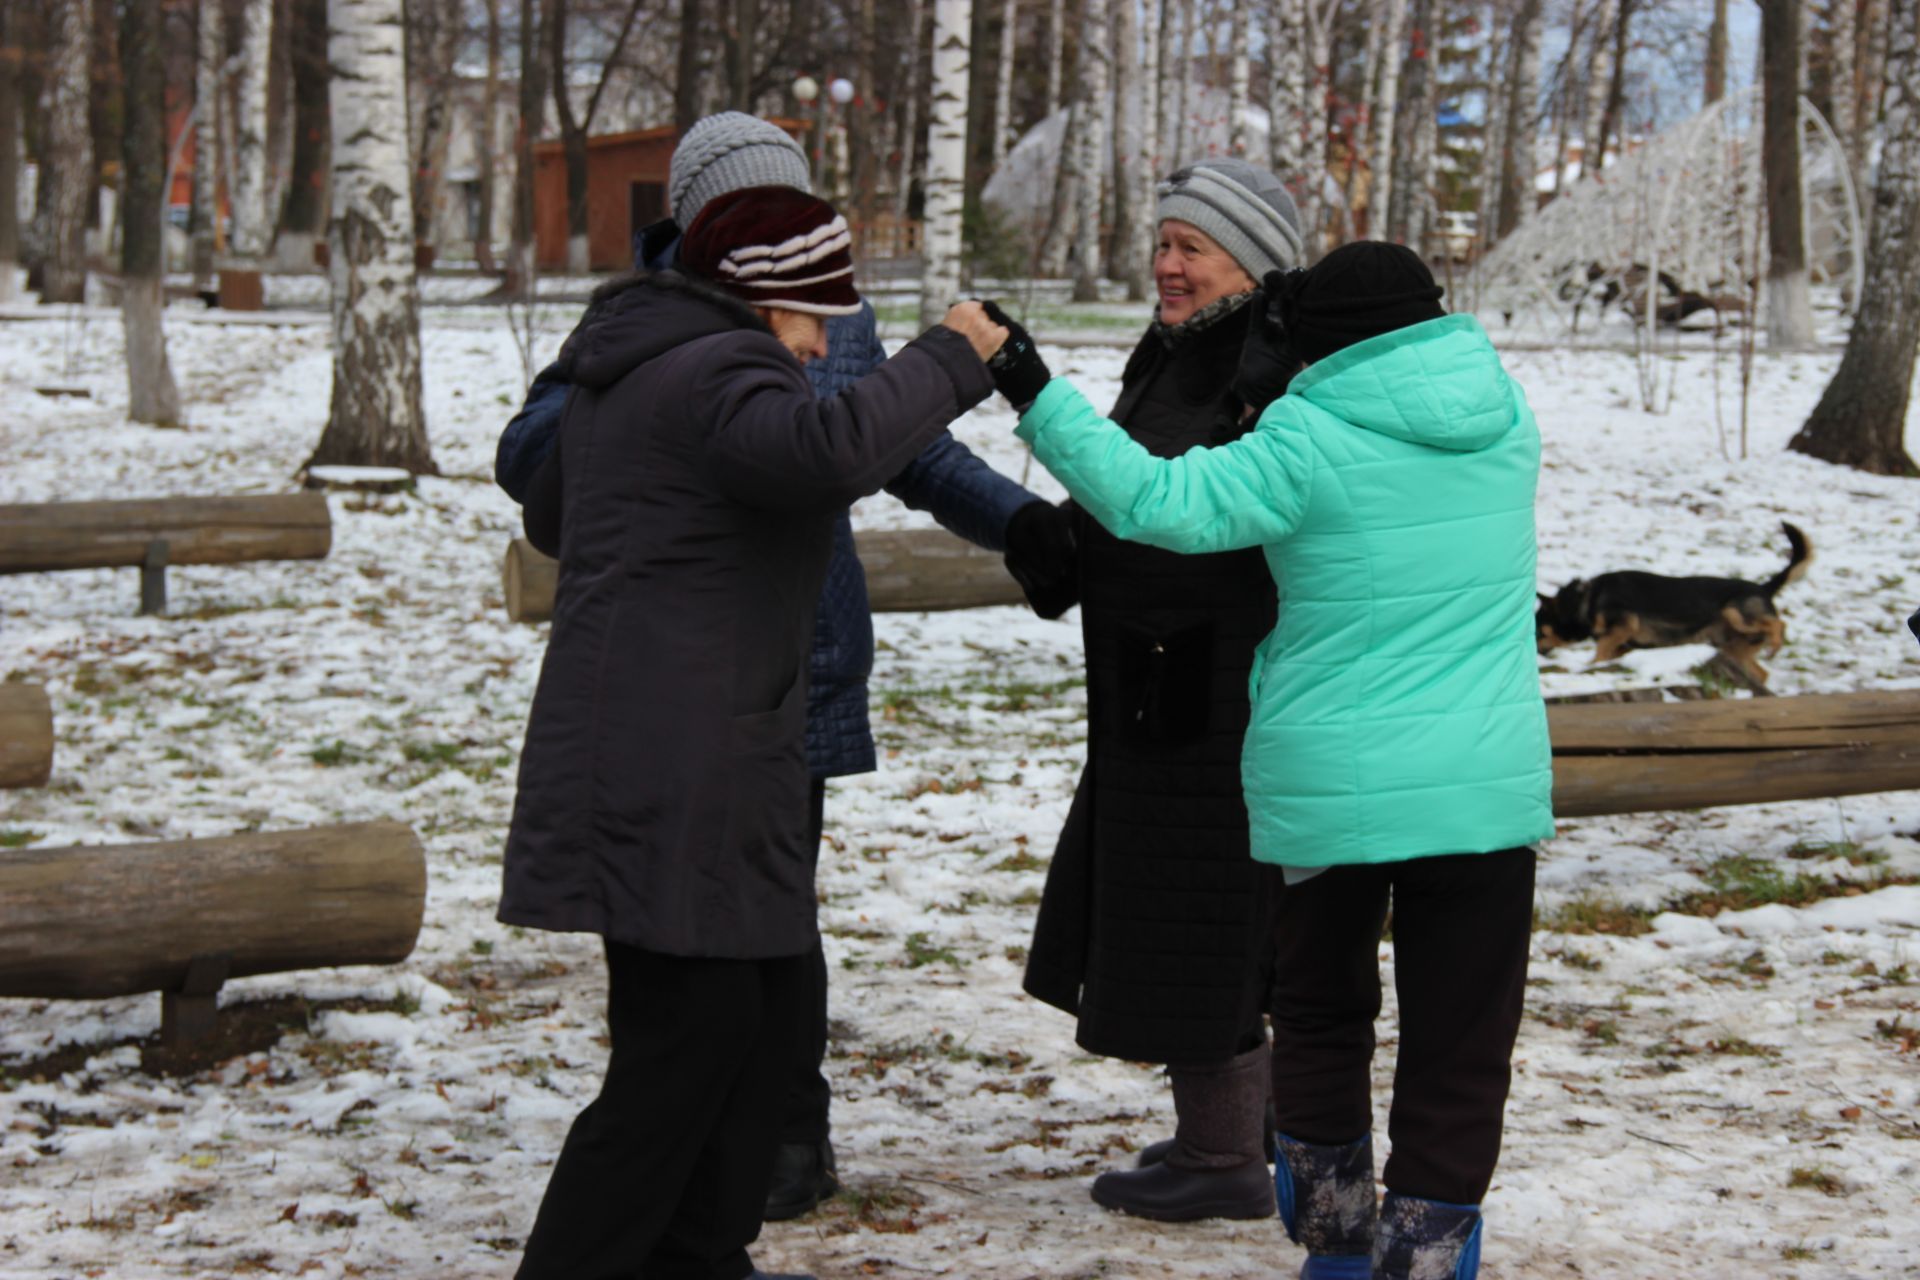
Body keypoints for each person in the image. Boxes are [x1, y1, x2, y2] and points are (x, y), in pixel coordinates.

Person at [495, 112, 1075, 1220]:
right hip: (686, 677)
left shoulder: (815, 293)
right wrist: (614, 434)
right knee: (687, 954)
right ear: (703, 220)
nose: (815, 340)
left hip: (795, 653)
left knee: (771, 922)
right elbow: (542, 462)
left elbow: (897, 441)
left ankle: (779, 1136)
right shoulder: (643, 329)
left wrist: (1018, 523)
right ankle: (696, 1151)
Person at [987, 242, 1554, 1280]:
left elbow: (1157, 502)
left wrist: (1028, 383)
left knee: (1323, 1014)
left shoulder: (1307, 437)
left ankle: (1337, 1250)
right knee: (1463, 1039)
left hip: (1329, 786)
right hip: (1484, 783)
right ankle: (1428, 1260)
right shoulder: (1507, 421)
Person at [1010, 158, 1308, 1223]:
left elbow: (1191, 511)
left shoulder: (1261, 365)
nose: (1166, 265)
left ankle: (1225, 1152)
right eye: (1164, 242)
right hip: (1165, 672)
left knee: (1205, 908)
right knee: (1190, 902)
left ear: (1251, 265)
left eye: (1192, 248)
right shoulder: (1193, 348)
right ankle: (1246, 1133)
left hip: (1211, 678)